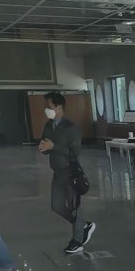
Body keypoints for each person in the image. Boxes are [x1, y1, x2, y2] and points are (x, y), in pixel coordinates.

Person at [39, 92, 96, 255]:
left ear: (58, 107)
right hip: (57, 171)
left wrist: (54, 147)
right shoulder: (48, 125)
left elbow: (75, 154)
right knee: (56, 206)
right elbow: (45, 145)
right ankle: (84, 225)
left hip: (70, 171)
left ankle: (78, 241)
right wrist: (44, 148)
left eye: (48, 106)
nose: (46, 109)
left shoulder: (70, 128)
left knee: (74, 207)